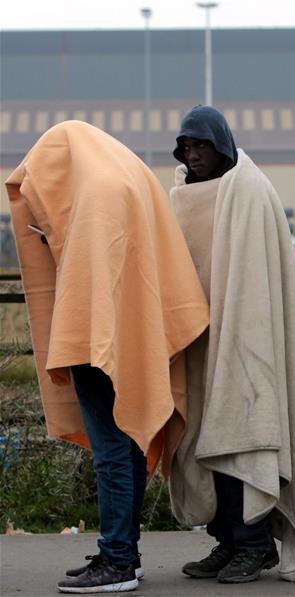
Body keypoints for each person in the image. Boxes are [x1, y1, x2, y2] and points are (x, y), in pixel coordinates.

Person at [5, 121, 209, 593]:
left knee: (112, 449)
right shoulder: (123, 177)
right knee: (129, 441)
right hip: (130, 334)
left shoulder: (95, 196)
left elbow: (87, 284)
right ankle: (123, 551)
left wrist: (83, 343)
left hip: (98, 340)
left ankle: (118, 560)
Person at [168, 105, 295, 583]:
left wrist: (242, 328)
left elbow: (257, 276)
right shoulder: (180, 195)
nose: (194, 155)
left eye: (202, 145)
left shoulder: (251, 190)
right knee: (202, 439)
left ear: (221, 145)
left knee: (241, 436)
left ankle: (253, 544)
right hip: (199, 339)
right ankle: (227, 539)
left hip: (244, 337)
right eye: (187, 147)